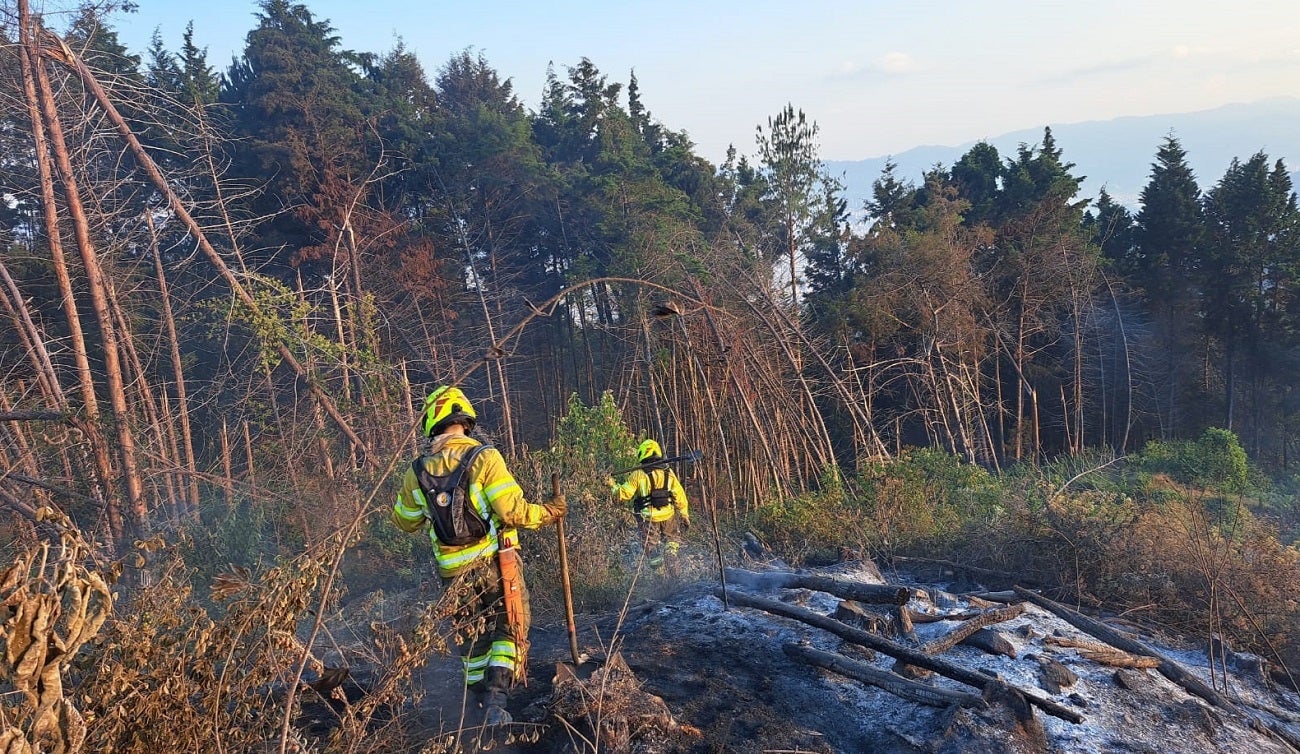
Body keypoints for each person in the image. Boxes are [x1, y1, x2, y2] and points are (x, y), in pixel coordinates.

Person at [392, 386, 567, 726]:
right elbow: (513, 511)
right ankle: (497, 703)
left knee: (471, 639)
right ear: (465, 420)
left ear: (432, 423)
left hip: (452, 575)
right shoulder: (485, 458)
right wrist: (549, 511)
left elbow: (405, 521)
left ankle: (475, 706)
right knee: (510, 627)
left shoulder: (416, 471)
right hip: (496, 565)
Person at [608, 439, 689, 568]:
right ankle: (671, 554)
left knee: (651, 549)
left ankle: (659, 573)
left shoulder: (638, 475)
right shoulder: (669, 472)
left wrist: (611, 484)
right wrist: (684, 514)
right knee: (672, 540)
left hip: (649, 519)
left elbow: (624, 494)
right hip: (668, 516)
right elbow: (680, 496)